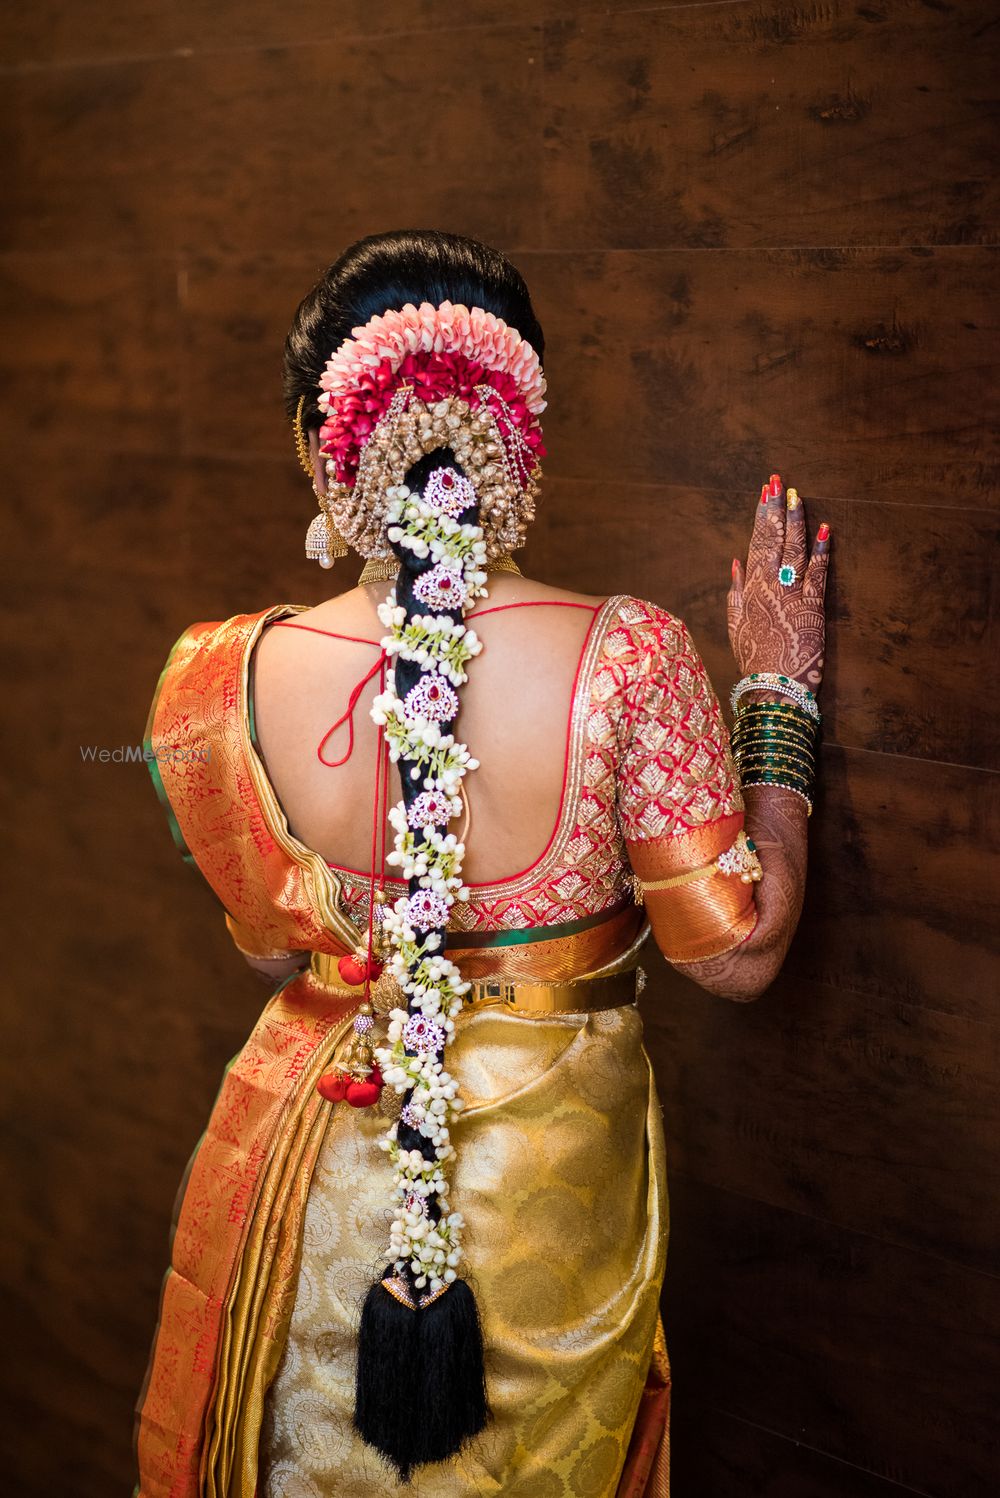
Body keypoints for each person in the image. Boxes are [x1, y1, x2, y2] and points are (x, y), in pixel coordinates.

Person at [137, 229, 830, 1498]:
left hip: (313, 1177)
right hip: (545, 1191)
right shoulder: (631, 655)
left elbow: (266, 940)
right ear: (523, 432)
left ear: (316, 446)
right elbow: (736, 953)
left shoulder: (212, 681)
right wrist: (776, 701)